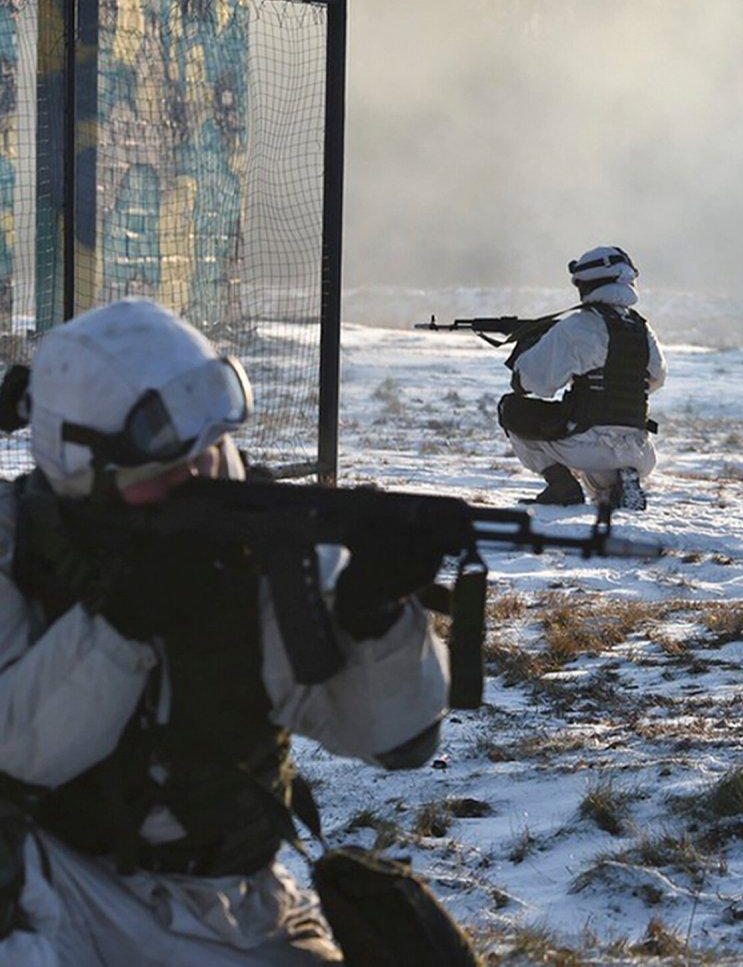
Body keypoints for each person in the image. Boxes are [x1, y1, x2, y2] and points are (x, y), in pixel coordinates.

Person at [0, 298, 451, 965]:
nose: (201, 478)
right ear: (82, 470)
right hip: (57, 887)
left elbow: (399, 741)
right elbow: (16, 751)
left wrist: (377, 618)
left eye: (210, 450)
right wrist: (120, 626)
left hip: (235, 904)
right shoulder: (18, 544)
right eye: (166, 470)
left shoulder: (262, 544)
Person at [498, 246, 666, 509]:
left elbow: (530, 382)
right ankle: (620, 482)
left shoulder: (578, 326)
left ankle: (561, 486)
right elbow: (656, 379)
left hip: (585, 442)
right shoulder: (642, 329)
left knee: (512, 410)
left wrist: (532, 347)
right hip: (639, 449)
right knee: (602, 464)